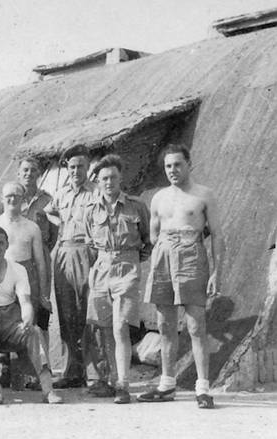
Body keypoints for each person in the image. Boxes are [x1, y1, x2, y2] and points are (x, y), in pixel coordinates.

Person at [137, 144, 223, 409]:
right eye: (168, 166)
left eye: (177, 164)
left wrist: (216, 272)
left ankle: (203, 388)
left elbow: (217, 234)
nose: (172, 170)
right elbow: (153, 234)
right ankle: (167, 384)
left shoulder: (203, 195)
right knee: (165, 324)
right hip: (163, 256)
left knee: (196, 325)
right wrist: (167, 246)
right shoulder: (159, 198)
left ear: (189, 164)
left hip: (191, 256)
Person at [0, 226, 63, 404]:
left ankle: (48, 391)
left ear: (7, 245)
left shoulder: (17, 269)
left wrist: (27, 319)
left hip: (11, 318)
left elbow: (25, 302)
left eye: (0, 243)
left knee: (35, 332)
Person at [84, 154, 151, 404]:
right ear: (98, 182)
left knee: (121, 326)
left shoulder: (136, 206)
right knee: (104, 328)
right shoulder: (91, 210)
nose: (109, 182)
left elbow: (147, 240)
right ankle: (113, 378)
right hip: (101, 270)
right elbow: (90, 241)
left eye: (113, 177)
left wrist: (132, 261)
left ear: (120, 178)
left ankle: (123, 383)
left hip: (127, 268)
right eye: (104, 178)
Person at [44, 144, 96, 388]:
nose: (76, 171)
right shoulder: (62, 194)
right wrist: (61, 222)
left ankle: (94, 373)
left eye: (80, 166)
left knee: (88, 311)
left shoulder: (96, 192)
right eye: (72, 167)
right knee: (67, 313)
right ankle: (71, 370)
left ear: (88, 167)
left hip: (86, 251)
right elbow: (49, 212)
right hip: (64, 251)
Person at [0, 182, 50, 337]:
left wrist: (43, 293)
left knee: (28, 324)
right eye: (8, 196)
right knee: (0, 323)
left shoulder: (31, 227)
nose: (12, 199)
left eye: (17, 196)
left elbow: (40, 263)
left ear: (23, 198)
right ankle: (3, 360)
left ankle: (30, 360)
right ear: (2, 198)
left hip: (27, 277)